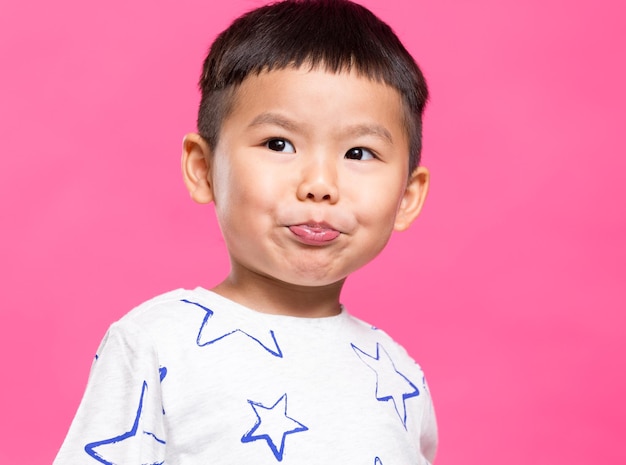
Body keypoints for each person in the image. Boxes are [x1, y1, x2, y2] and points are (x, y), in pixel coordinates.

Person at [54, 0, 437, 463]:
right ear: (203, 169)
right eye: (279, 143)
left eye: (359, 153)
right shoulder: (156, 343)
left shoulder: (399, 374)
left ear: (408, 196)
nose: (319, 185)